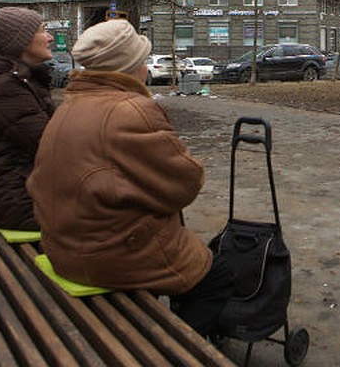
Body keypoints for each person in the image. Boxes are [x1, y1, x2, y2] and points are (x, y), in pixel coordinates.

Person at [27, 20, 234, 337]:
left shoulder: (69, 107)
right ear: (129, 66)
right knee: (217, 273)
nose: (145, 67)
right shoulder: (131, 110)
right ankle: (177, 350)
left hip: (65, 246)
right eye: (142, 60)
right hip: (110, 256)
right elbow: (185, 185)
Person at [0, 7, 55, 231]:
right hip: (21, 203)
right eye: (43, 30)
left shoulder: (19, 81)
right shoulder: (5, 88)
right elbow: (52, 145)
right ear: (22, 41)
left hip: (23, 193)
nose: (50, 37)